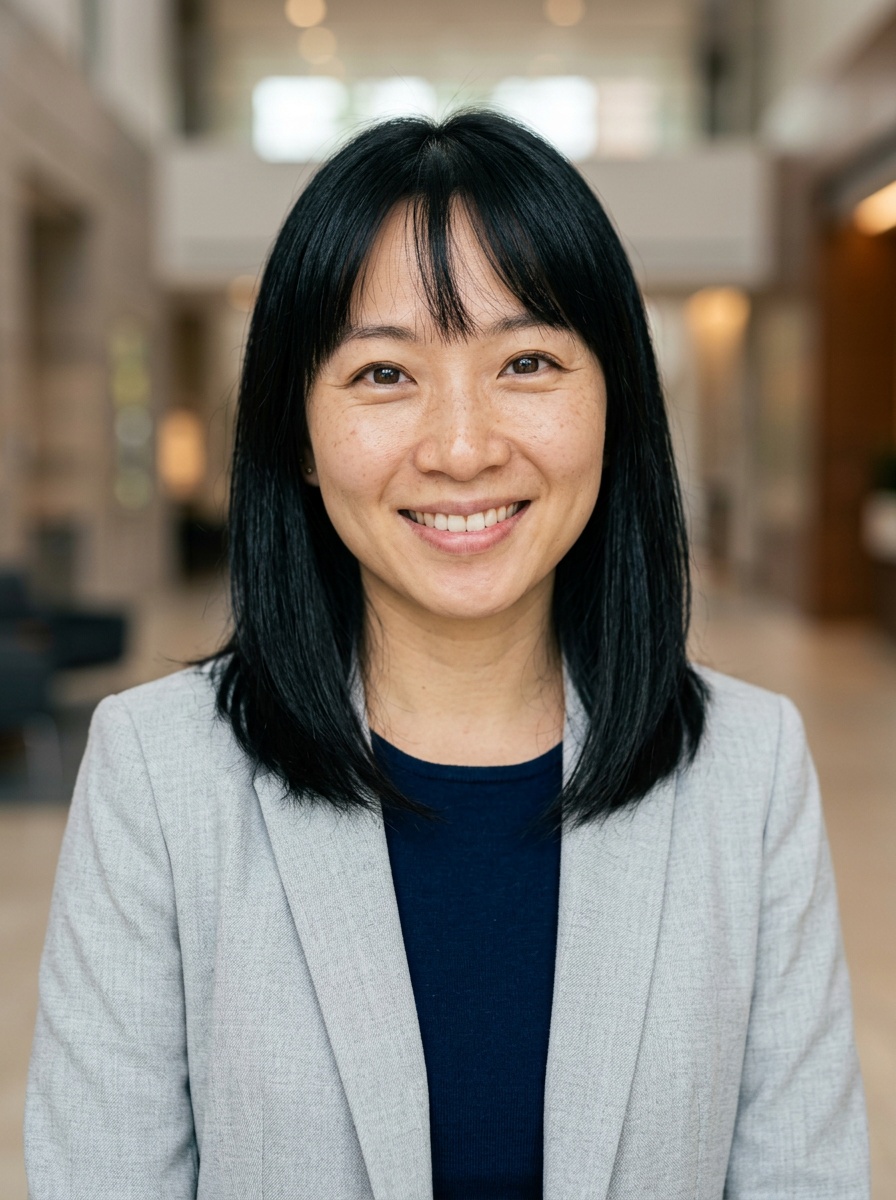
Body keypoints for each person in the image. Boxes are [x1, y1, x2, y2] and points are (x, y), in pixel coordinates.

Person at [25, 111, 869, 1200]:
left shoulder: (749, 769)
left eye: (525, 361)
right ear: (298, 432)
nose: (462, 447)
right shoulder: (159, 773)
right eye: (383, 375)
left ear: (613, 399)